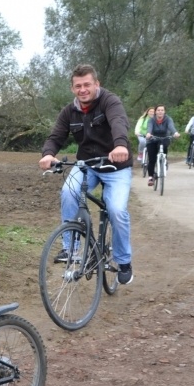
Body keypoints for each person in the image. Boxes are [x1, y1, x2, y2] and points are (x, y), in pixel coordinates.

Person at [38, 64, 134, 285]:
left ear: (96, 84)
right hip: (87, 165)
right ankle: (71, 250)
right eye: (78, 86)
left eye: (87, 85)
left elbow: (119, 122)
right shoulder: (69, 112)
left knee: (117, 209)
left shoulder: (110, 101)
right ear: (72, 88)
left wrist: (120, 145)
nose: (83, 89)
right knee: (69, 191)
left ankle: (124, 260)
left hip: (116, 166)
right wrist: (48, 154)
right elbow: (56, 136)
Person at [145, 105, 180, 186]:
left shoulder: (168, 119)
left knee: (164, 148)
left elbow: (171, 127)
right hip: (153, 139)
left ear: (164, 111)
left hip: (165, 138)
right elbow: (149, 128)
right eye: (158, 110)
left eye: (162, 110)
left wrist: (175, 133)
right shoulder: (151, 120)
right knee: (152, 159)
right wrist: (148, 134)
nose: (160, 112)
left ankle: (164, 160)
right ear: (155, 112)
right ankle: (151, 177)